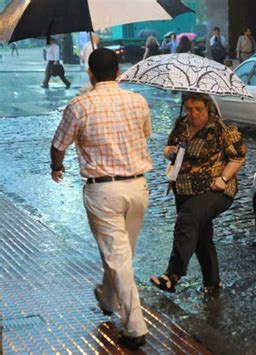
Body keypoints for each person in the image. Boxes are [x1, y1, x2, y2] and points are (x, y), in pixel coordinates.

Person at [50, 48, 152, 350]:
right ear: (119, 70)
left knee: (118, 257)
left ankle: (135, 327)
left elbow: (58, 146)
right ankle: (108, 299)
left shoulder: (79, 105)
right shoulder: (138, 100)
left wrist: (57, 167)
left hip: (103, 191)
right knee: (121, 255)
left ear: (90, 73)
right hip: (137, 188)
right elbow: (144, 134)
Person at [150, 92, 246, 294]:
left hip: (214, 190)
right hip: (183, 189)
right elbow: (168, 147)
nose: (193, 114)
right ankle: (212, 283)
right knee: (201, 236)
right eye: (189, 108)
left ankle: (172, 275)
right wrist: (171, 152)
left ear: (207, 108)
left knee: (188, 219)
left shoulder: (222, 128)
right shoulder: (181, 125)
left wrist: (223, 179)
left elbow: (238, 157)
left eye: (198, 109)